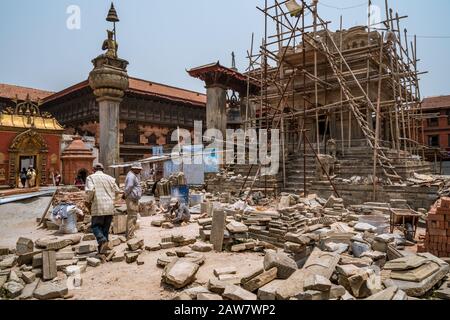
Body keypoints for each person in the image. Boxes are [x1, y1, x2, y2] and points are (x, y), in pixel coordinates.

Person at [85, 163, 120, 254]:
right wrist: (113, 200)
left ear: (93, 170)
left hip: (98, 206)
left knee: (95, 226)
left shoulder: (91, 178)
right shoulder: (110, 178)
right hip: (109, 207)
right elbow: (117, 191)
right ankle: (103, 250)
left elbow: (90, 190)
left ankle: (101, 240)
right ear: (102, 169)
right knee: (105, 228)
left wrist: (88, 200)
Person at [123, 162, 143, 240]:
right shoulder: (131, 176)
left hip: (133, 198)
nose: (139, 171)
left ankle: (129, 234)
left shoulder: (133, 175)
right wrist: (125, 194)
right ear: (134, 168)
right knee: (132, 217)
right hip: (131, 199)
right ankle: (130, 236)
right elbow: (129, 186)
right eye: (138, 169)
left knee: (132, 217)